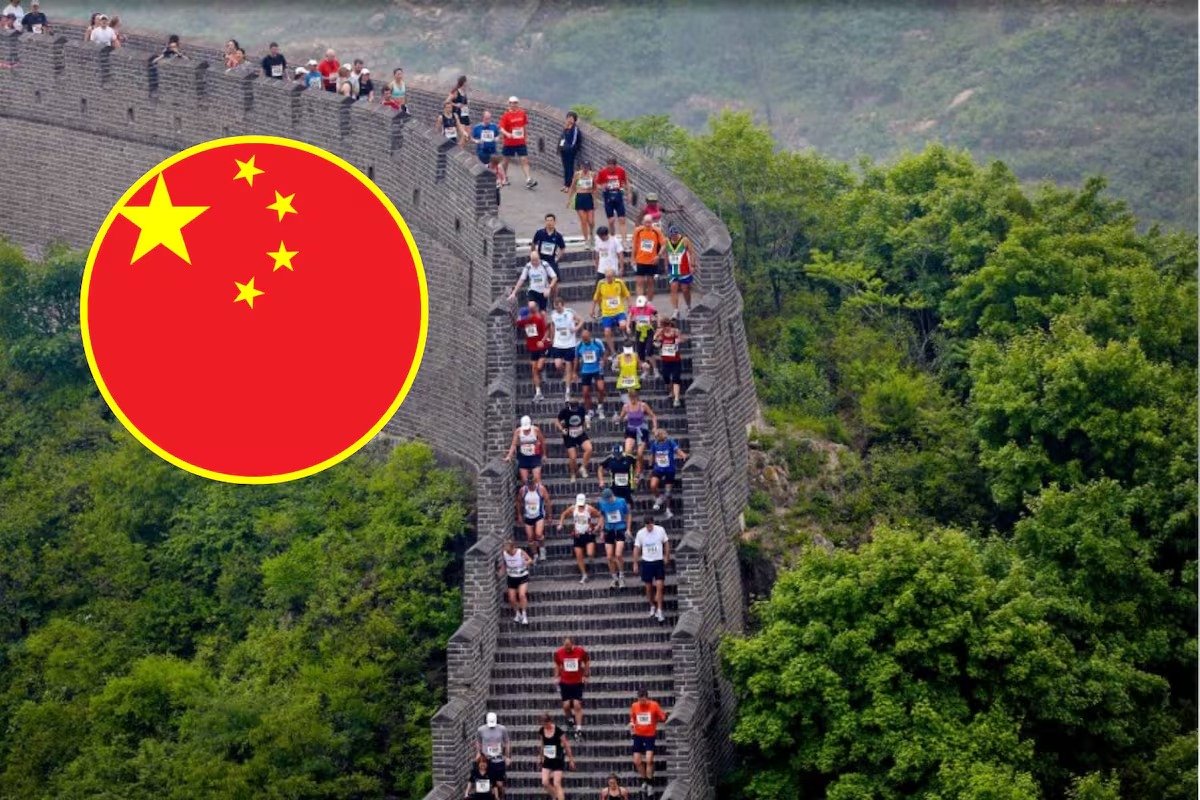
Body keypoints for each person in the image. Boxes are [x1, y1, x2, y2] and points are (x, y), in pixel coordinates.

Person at [629, 689, 669, 796]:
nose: (642, 703)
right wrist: (632, 723)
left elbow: (662, 717)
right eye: (640, 700)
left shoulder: (654, 705)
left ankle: (650, 783)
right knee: (637, 761)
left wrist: (663, 717)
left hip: (649, 736)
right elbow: (633, 717)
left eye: (643, 700)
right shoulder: (634, 706)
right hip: (638, 736)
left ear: (647, 698)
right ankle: (645, 780)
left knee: (649, 760)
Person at [633, 516, 670, 622]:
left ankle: (660, 609)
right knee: (648, 587)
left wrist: (667, 556)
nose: (649, 527)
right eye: (647, 525)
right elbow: (637, 548)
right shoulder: (640, 533)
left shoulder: (660, 530)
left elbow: (666, 543)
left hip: (658, 561)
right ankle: (652, 605)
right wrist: (635, 563)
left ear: (653, 523)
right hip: (647, 562)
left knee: (659, 586)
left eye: (650, 525)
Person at [558, 493, 602, 583]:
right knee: (579, 556)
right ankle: (584, 575)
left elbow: (600, 516)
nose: (581, 506)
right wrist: (561, 524)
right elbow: (563, 514)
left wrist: (598, 526)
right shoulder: (573, 508)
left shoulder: (589, 508)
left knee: (590, 554)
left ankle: (590, 556)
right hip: (577, 535)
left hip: (588, 534)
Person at [512, 300, 550, 400]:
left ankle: (543, 371)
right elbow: (516, 323)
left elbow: (547, 331)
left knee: (539, 367)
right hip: (533, 348)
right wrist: (511, 315)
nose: (525, 319)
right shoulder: (524, 321)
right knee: (534, 370)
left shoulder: (538, 319)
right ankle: (538, 392)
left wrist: (542, 341)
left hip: (542, 347)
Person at [647, 428, 687, 519]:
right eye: (656, 437)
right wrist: (650, 466)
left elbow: (677, 450)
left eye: (658, 436)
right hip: (658, 469)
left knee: (668, 492)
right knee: (653, 485)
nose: (656, 438)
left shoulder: (670, 442)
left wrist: (683, 455)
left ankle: (668, 510)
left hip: (669, 470)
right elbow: (652, 455)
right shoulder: (654, 444)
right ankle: (659, 498)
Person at [552, 637, 590, 736]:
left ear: (573, 644)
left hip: (577, 682)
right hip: (565, 682)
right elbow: (557, 663)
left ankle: (579, 728)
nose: (567, 649)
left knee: (577, 705)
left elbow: (587, 661)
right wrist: (556, 676)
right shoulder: (559, 652)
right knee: (566, 705)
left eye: (568, 647)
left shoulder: (580, 651)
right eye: (565, 646)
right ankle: (570, 719)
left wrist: (585, 675)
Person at [591, 268, 630, 356]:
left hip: (619, 311)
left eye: (610, 277)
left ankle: (625, 335)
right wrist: (592, 310)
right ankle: (613, 351)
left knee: (623, 325)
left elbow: (627, 294)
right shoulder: (601, 283)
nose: (608, 279)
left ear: (613, 276)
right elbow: (596, 297)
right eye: (607, 277)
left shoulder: (619, 282)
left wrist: (630, 305)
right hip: (607, 313)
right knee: (607, 332)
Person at [619, 389, 656, 483]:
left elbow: (653, 416)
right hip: (630, 430)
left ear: (637, 397)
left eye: (634, 398)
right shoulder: (626, 406)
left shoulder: (643, 405)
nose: (633, 400)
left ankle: (639, 472)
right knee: (627, 451)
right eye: (631, 398)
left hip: (641, 430)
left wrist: (654, 427)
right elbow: (621, 418)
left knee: (639, 453)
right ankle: (634, 468)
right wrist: (620, 418)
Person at [499, 96, 536, 189]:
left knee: (524, 159)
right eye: (511, 103)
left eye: (515, 103)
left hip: (520, 141)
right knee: (506, 161)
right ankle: (504, 177)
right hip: (509, 142)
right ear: (509, 104)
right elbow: (501, 128)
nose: (513, 105)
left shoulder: (522, 113)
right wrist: (507, 134)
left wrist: (526, 137)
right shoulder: (506, 115)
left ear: (518, 104)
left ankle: (528, 179)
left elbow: (524, 126)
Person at [548, 296, 582, 399]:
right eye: (555, 307)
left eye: (559, 307)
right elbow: (552, 326)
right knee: (558, 365)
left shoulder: (569, 312)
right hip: (558, 343)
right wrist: (552, 338)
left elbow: (581, 320)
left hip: (569, 343)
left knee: (568, 365)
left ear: (562, 305)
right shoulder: (553, 314)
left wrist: (576, 328)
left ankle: (567, 391)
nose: (557, 309)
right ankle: (569, 374)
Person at [597, 488, 630, 587]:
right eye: (606, 499)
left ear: (612, 496)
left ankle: (622, 577)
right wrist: (601, 530)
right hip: (609, 530)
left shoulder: (621, 501)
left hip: (620, 529)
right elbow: (602, 516)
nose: (607, 501)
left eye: (608, 499)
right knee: (609, 557)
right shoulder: (602, 503)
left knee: (618, 554)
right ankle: (614, 578)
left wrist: (628, 529)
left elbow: (628, 515)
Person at [514, 474, 550, 563]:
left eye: (532, 484)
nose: (531, 486)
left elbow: (547, 501)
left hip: (539, 515)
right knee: (530, 538)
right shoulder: (523, 490)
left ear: (535, 482)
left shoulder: (541, 489)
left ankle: (542, 550)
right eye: (529, 484)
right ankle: (535, 554)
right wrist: (519, 515)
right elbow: (518, 502)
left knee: (538, 534)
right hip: (528, 516)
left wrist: (549, 515)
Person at [538, 713, 575, 800]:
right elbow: (542, 744)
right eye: (543, 724)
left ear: (550, 721)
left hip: (558, 758)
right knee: (545, 782)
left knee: (556, 783)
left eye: (546, 724)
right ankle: (555, 797)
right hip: (548, 758)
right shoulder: (542, 730)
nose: (545, 726)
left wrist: (571, 760)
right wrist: (540, 756)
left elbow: (566, 745)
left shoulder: (558, 731)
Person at [596, 157, 632, 244]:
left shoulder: (621, 171)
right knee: (611, 221)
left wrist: (629, 194)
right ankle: (612, 238)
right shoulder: (602, 172)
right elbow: (596, 184)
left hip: (618, 195)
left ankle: (624, 241)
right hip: (608, 196)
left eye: (612, 167)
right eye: (609, 166)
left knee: (622, 219)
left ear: (615, 165)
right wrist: (602, 186)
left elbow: (626, 182)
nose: (610, 168)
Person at [631, 215, 667, 302]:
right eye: (646, 222)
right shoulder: (638, 231)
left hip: (652, 261)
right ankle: (640, 302)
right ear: (643, 222)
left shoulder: (657, 231)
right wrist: (632, 258)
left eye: (649, 222)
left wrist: (658, 256)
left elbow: (664, 244)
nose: (648, 224)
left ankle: (649, 303)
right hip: (640, 260)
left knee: (650, 282)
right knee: (639, 282)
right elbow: (634, 245)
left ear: (652, 222)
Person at [575, 328, 608, 421]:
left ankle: (600, 407)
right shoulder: (579, 345)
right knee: (585, 392)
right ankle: (589, 410)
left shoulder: (597, 342)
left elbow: (605, 353)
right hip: (586, 371)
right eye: (583, 339)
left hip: (597, 369)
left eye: (586, 338)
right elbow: (576, 358)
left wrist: (603, 361)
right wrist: (574, 372)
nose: (585, 340)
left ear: (589, 336)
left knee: (601, 388)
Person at [477, 712, 511, 799]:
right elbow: (479, 742)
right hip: (487, 760)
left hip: (499, 759)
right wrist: (478, 752)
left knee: (499, 784)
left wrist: (507, 756)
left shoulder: (502, 729)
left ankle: (502, 796)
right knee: (490, 784)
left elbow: (507, 742)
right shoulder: (481, 730)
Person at [654, 317, 686, 407]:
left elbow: (683, 339)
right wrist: (656, 339)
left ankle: (676, 399)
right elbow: (655, 342)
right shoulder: (660, 332)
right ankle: (671, 391)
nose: (665, 329)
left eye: (666, 326)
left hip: (675, 360)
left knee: (676, 378)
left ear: (669, 325)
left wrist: (679, 340)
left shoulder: (675, 331)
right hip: (665, 360)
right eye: (663, 327)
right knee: (666, 378)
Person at [499, 539, 533, 625]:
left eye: (509, 550)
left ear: (512, 547)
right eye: (506, 550)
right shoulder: (504, 553)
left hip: (522, 576)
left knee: (521, 595)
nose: (508, 552)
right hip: (511, 578)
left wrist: (526, 562)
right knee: (511, 598)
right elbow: (504, 564)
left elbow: (530, 560)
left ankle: (524, 615)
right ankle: (518, 614)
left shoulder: (520, 552)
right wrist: (500, 572)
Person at [665, 225, 696, 314]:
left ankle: (688, 306)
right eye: (672, 236)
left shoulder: (685, 240)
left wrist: (693, 265)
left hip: (684, 269)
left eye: (675, 235)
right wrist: (666, 265)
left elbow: (692, 253)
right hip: (673, 269)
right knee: (673, 289)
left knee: (685, 289)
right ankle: (675, 310)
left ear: (677, 234)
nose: (673, 237)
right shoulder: (667, 241)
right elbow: (666, 253)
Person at [506, 414, 546, 484]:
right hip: (523, 457)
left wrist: (544, 455)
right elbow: (513, 444)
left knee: (537, 480)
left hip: (535, 456)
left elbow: (543, 442)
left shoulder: (536, 430)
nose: (526, 430)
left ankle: (539, 491)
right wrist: (509, 456)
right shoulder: (518, 431)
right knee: (525, 481)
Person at [567, 161, 600, 243]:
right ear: (581, 167)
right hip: (580, 197)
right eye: (584, 167)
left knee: (591, 221)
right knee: (583, 220)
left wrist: (595, 200)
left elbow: (595, 188)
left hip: (588, 197)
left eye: (587, 167)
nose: (585, 168)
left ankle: (591, 233)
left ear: (589, 167)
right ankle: (586, 239)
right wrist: (569, 199)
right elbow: (572, 187)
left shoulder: (592, 174)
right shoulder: (577, 174)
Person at [598, 444, 637, 511]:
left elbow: (638, 464)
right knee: (616, 504)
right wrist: (601, 480)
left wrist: (636, 476)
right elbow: (600, 468)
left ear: (622, 452)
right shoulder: (610, 459)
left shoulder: (629, 458)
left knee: (628, 504)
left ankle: (628, 514)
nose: (617, 456)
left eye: (619, 454)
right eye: (616, 454)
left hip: (628, 485)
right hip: (615, 485)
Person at [629, 295, 658, 377]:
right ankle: (645, 371)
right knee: (640, 353)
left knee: (649, 351)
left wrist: (657, 324)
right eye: (639, 306)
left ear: (645, 303)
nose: (641, 308)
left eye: (642, 306)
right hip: (639, 333)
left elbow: (657, 315)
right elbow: (629, 316)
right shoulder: (634, 308)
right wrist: (628, 326)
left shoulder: (650, 308)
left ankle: (655, 370)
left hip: (648, 332)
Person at [532, 214, 567, 279]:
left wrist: (557, 258)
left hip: (551, 260)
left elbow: (563, 248)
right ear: (545, 222)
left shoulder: (558, 235)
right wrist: (533, 255)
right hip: (540, 259)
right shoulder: (539, 233)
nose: (549, 223)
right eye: (547, 221)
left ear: (554, 222)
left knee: (555, 278)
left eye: (551, 220)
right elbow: (533, 243)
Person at [559, 111, 583, 192]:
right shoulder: (566, 128)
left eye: (571, 118)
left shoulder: (575, 129)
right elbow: (562, 139)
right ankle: (565, 184)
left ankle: (569, 186)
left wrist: (569, 149)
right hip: (564, 150)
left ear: (574, 119)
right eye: (568, 117)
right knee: (565, 167)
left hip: (570, 151)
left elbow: (573, 142)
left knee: (570, 168)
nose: (569, 119)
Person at [447, 75, 471, 140]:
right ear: (464, 82)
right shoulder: (456, 92)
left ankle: (460, 145)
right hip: (459, 115)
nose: (468, 83)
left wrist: (467, 103)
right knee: (463, 135)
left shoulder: (464, 92)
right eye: (467, 81)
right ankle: (458, 146)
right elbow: (447, 101)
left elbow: (463, 103)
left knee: (468, 136)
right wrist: (456, 105)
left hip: (465, 114)